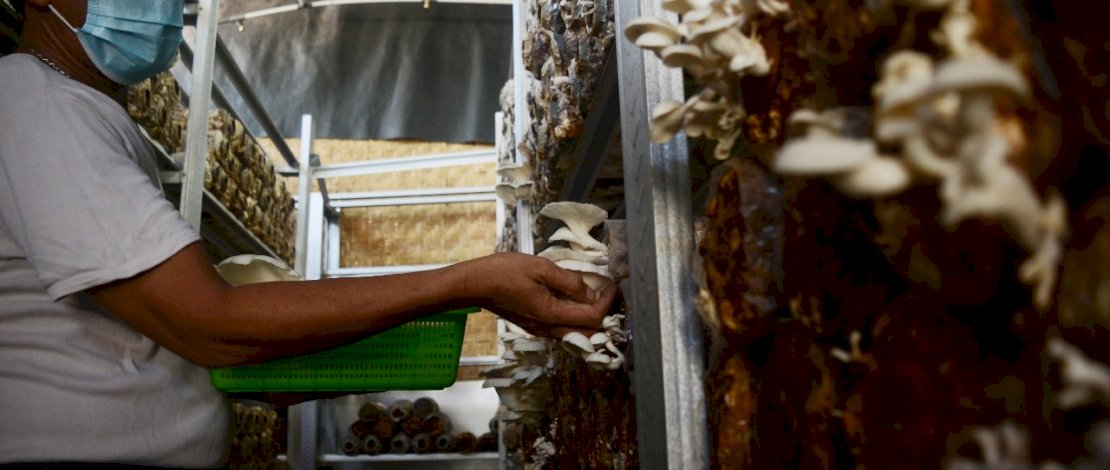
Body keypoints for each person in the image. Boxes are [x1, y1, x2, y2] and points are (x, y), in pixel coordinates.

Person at [0, 0, 616, 467]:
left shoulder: (79, 111)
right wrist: (467, 280)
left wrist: (457, 298)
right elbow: (208, 323)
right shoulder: (36, 101)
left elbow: (171, 339)